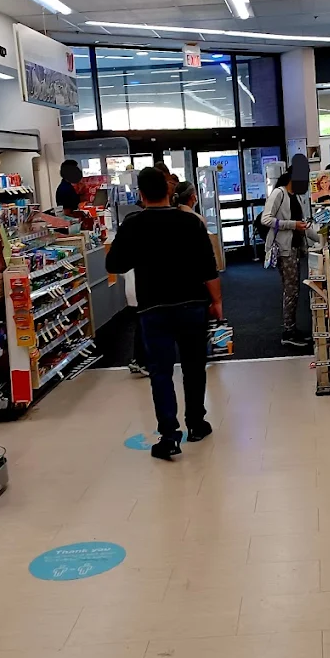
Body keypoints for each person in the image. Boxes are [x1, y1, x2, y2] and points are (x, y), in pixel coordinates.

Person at [106, 167, 222, 461]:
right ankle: (196, 423)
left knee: (160, 372)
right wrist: (217, 301)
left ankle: (169, 436)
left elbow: (114, 264)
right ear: (169, 190)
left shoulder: (133, 224)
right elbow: (209, 266)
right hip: (193, 303)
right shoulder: (190, 222)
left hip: (153, 308)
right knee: (194, 366)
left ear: (141, 194)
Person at [262, 170, 320, 348]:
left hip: (294, 248)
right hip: (284, 250)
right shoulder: (279, 193)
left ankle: (292, 329)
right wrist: (292, 224)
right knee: (291, 290)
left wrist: (322, 238)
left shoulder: (295, 197)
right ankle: (288, 332)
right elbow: (266, 219)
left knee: (293, 289)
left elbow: (303, 225)